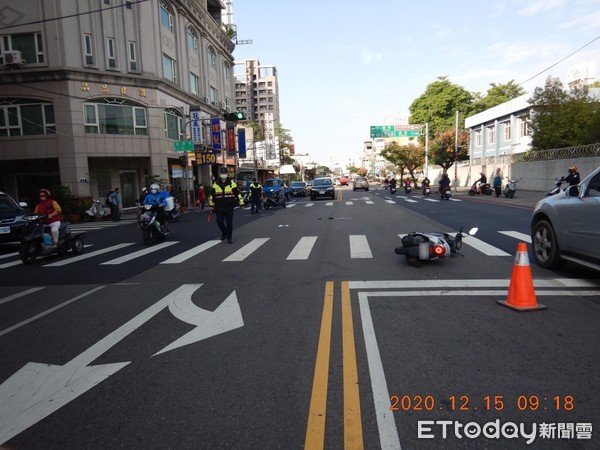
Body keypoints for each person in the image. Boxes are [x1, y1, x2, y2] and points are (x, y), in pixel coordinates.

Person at [209, 167, 244, 243]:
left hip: (229, 206)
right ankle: (224, 232)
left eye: (225, 173)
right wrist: (211, 205)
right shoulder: (216, 183)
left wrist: (241, 203)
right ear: (220, 174)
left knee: (229, 223)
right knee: (219, 221)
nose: (223, 174)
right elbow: (212, 195)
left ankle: (229, 237)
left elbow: (238, 194)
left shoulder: (232, 183)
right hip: (219, 206)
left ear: (227, 174)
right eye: (222, 173)